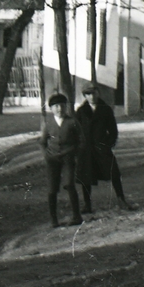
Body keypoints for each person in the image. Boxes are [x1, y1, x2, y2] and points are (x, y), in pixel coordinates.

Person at [76, 84, 134, 211]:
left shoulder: (105, 109)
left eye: (94, 93)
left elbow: (113, 131)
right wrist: (80, 146)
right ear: (85, 96)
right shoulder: (81, 111)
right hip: (86, 149)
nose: (92, 96)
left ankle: (121, 199)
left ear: (98, 93)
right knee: (86, 176)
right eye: (88, 94)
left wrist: (107, 144)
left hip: (102, 147)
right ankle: (87, 204)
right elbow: (76, 131)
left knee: (114, 173)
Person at [39, 93, 83, 228]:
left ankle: (77, 216)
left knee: (69, 184)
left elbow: (81, 141)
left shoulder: (72, 122)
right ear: (51, 108)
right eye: (56, 106)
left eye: (62, 106)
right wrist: (46, 155)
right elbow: (42, 142)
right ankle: (54, 219)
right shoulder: (47, 122)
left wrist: (75, 154)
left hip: (68, 158)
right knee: (52, 189)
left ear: (66, 107)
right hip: (52, 160)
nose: (59, 109)